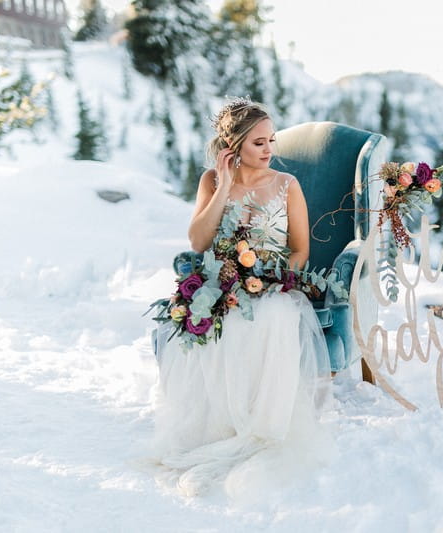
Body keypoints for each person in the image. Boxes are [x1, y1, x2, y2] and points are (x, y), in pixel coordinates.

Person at [151, 98, 333, 498]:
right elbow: (199, 240)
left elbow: (301, 249)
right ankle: (218, 424)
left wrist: (274, 279)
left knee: (267, 317)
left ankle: (258, 425)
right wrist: (225, 186)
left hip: (273, 287)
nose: (269, 150)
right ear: (232, 148)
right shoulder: (211, 181)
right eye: (258, 143)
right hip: (221, 282)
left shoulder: (287, 185)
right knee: (210, 315)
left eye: (271, 141)